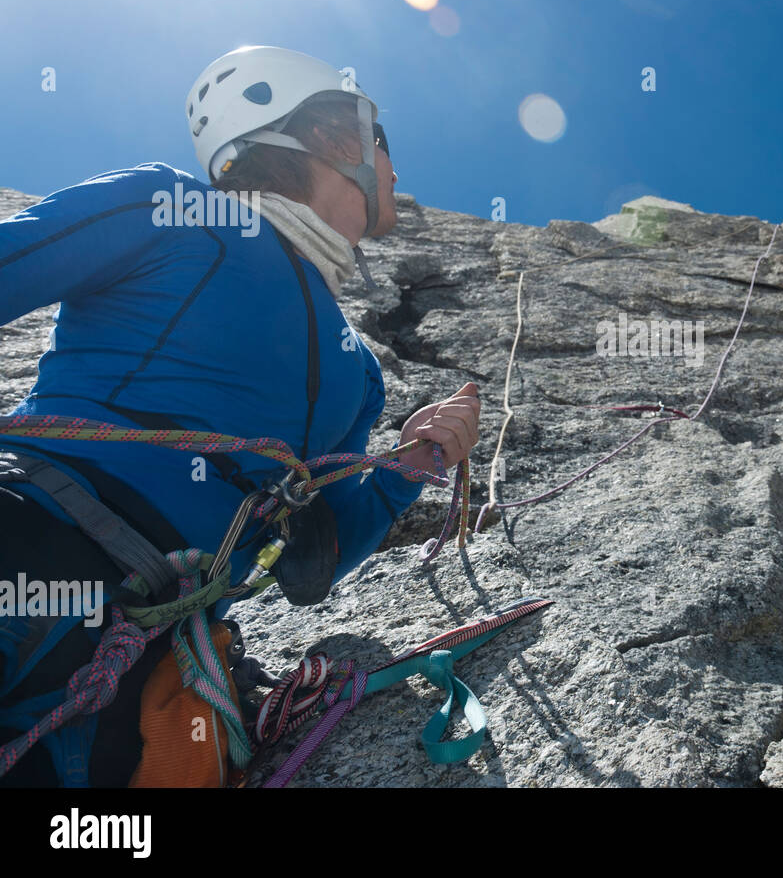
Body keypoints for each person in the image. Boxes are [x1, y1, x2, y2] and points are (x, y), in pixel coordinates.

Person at [0, 45, 480, 786]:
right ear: (331, 137)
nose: (394, 165)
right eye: (381, 140)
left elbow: (309, 561)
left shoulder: (358, 371)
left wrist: (412, 465)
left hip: (142, 647)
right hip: (27, 533)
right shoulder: (168, 208)